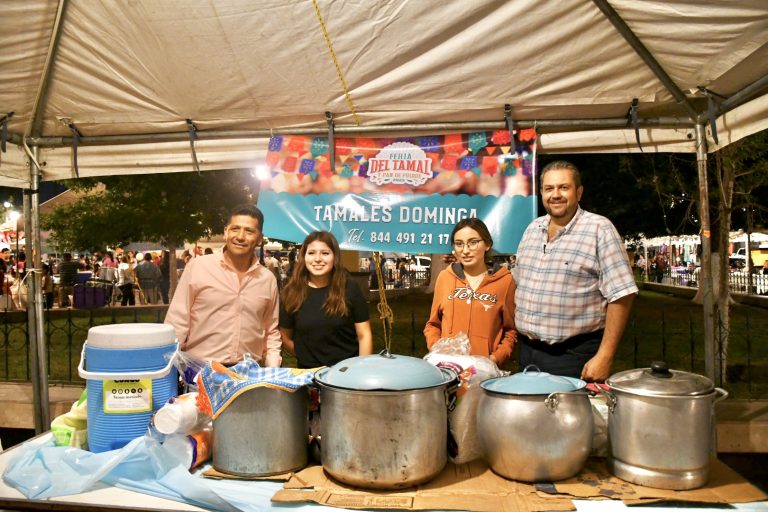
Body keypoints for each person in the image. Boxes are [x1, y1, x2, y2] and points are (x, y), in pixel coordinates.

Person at [513, 160, 637, 381]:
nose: (556, 194)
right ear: (541, 193)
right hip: (528, 354)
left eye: (564, 187)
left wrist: (605, 356)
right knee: (531, 415)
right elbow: (517, 280)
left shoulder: (599, 229)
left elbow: (622, 294)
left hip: (573, 357)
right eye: (549, 188)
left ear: (579, 192)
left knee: (569, 416)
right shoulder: (533, 229)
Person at [165, 205, 282, 366]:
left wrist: (272, 373)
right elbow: (177, 320)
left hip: (249, 375)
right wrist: (169, 369)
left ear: (260, 238)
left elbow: (271, 331)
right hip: (200, 371)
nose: (240, 236)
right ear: (226, 231)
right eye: (235, 229)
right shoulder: (198, 267)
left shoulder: (267, 279)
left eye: (249, 231)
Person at [424, 218, 517, 366]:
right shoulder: (445, 277)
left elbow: (510, 331)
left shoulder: (504, 281)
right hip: (448, 370)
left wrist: (495, 358)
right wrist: (436, 350)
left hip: (483, 373)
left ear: (487, 244)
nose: (465, 250)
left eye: (473, 242)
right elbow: (433, 325)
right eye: (459, 244)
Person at [279, 231, 373, 368]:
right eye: (311, 253)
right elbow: (284, 336)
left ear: (334, 257)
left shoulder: (350, 289)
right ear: (303, 256)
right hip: (308, 377)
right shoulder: (291, 293)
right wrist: (305, 356)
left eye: (325, 253)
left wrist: (361, 371)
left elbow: (364, 335)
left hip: (346, 375)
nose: (317, 259)